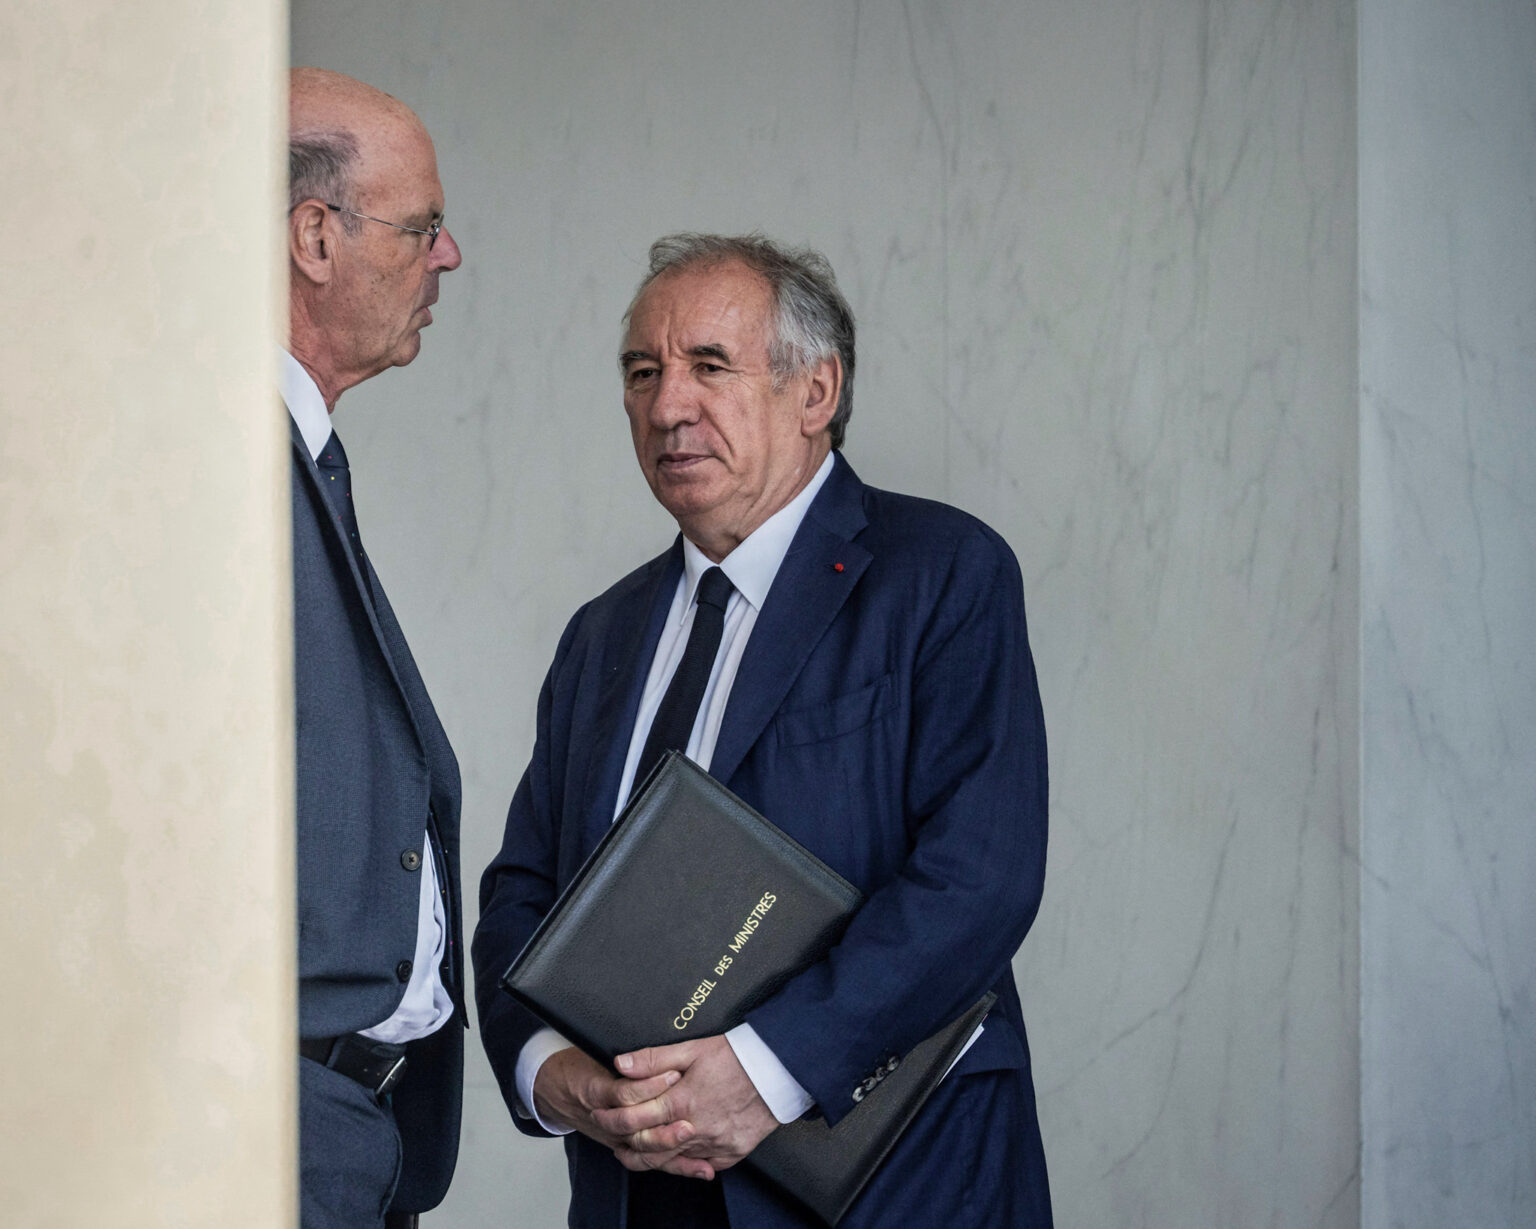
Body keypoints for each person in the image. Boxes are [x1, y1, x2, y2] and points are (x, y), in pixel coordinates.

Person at [473, 233, 1052, 1227]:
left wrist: (764, 1068)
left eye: (709, 366)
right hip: (639, 1189)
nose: (666, 405)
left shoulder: (943, 574)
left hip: (890, 1187)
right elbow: (524, 893)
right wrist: (550, 1068)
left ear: (815, 392)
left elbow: (978, 875)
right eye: (642, 370)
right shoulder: (600, 635)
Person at [284, 67, 466, 1229]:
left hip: (354, 1139)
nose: (447, 259)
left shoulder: (295, 455)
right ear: (315, 235)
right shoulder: (202, 459)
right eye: (423, 227)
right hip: (272, 1135)